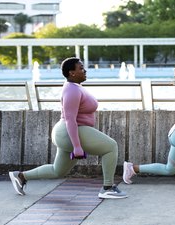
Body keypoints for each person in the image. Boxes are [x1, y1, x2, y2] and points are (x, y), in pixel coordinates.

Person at [9, 57, 127, 199]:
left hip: (68, 132)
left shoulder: (75, 87)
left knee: (58, 170)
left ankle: (21, 176)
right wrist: (77, 146)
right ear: (72, 72)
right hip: (70, 132)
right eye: (81, 68)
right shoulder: (71, 90)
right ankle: (107, 188)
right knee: (111, 147)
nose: (85, 70)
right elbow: (70, 119)